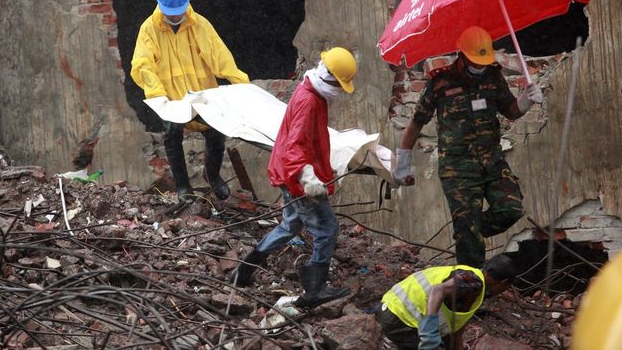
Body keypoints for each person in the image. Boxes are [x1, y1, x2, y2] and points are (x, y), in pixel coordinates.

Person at [393, 26, 543, 267]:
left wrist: (526, 100)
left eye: (484, 62)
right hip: (458, 169)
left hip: (492, 163)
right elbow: (417, 122)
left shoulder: (493, 77)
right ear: (461, 54)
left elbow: (511, 111)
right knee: (469, 240)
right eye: (476, 61)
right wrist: (403, 161)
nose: (480, 67)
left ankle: (469, 232)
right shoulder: (440, 82)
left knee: (511, 209)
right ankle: (469, 292)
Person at [228, 47, 357, 308]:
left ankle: (243, 270)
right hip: (297, 176)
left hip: (290, 173)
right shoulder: (309, 101)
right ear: (330, 78)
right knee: (327, 229)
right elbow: (295, 146)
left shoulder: (310, 89)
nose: (342, 90)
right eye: (340, 84)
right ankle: (314, 290)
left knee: (290, 227)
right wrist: (308, 177)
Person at [130, 0, 249, 203]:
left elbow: (219, 56)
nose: (174, 16)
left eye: (178, 11)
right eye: (170, 11)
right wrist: (158, 95)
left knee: (215, 133)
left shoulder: (199, 25)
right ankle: (184, 186)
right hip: (171, 98)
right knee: (172, 135)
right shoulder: (149, 29)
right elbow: (142, 65)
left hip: (201, 93)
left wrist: (240, 82)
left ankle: (212, 176)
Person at [377, 254, 517, 350]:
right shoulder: (473, 282)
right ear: (503, 283)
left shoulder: (472, 286)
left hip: (391, 309)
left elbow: (456, 333)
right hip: (400, 318)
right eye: (506, 288)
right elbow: (438, 291)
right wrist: (429, 335)